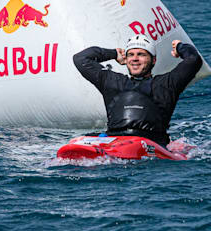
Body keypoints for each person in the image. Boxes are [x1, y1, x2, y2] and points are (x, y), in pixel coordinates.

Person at [73, 34, 203, 147]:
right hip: (114, 140)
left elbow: (194, 60)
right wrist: (113, 53)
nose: (135, 59)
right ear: (126, 59)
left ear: (154, 60)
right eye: (131, 54)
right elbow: (80, 59)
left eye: (141, 54)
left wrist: (180, 47)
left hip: (153, 143)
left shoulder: (167, 84)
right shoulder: (112, 81)